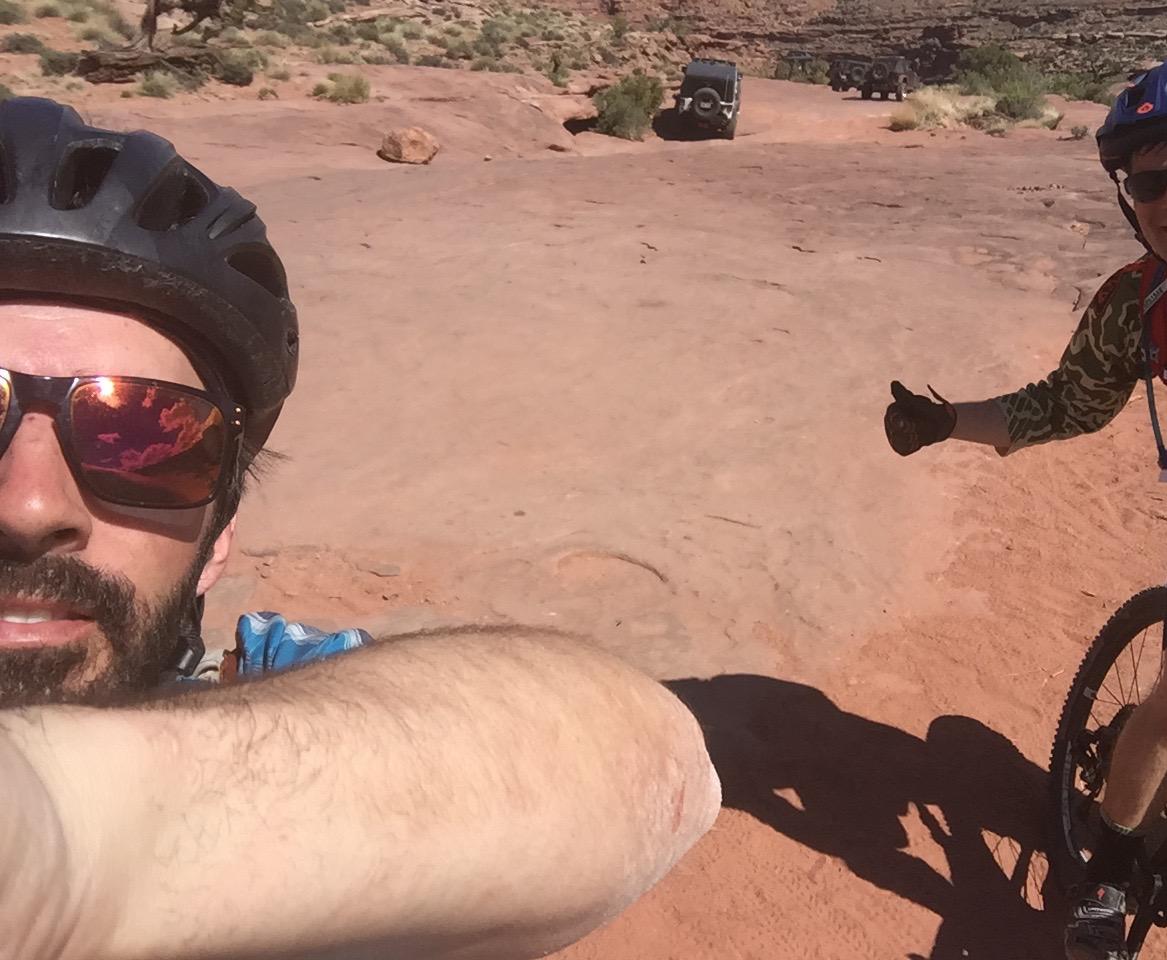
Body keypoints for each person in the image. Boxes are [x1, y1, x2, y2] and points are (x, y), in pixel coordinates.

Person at [0, 96, 720, 960]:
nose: (29, 509)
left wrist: (56, 843)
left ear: (217, 539)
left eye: (142, 434)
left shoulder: (271, 688)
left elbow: (641, 765)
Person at [883, 54, 1167, 959]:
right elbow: (1066, 404)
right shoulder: (1138, 305)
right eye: (1148, 182)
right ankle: (1110, 865)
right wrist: (949, 422)